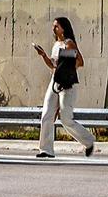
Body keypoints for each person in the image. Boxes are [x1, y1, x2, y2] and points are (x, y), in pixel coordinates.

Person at [33, 17, 96, 159]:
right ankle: (46, 150)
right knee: (47, 115)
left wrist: (68, 70)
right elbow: (52, 65)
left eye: (56, 26)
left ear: (63, 28)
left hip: (67, 84)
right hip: (54, 81)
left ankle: (88, 141)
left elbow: (80, 62)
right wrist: (43, 56)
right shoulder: (56, 44)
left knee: (66, 119)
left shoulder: (69, 44)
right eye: (53, 26)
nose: (54, 29)